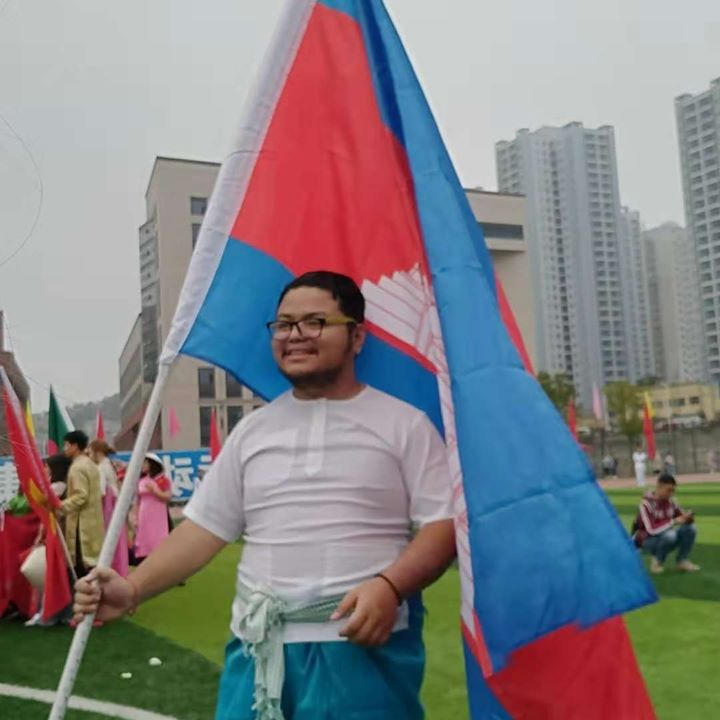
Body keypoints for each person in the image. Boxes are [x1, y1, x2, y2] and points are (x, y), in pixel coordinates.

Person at [74, 271, 456, 720]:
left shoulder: (405, 425)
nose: (295, 335)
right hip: (257, 650)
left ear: (357, 336)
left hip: (362, 648)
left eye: (315, 322)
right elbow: (204, 529)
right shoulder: (253, 432)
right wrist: (133, 588)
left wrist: (390, 587)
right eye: (284, 324)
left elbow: (444, 525)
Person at [631, 474, 700, 574]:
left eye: (673, 491)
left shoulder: (671, 502)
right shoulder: (646, 504)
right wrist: (674, 521)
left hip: (663, 537)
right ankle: (657, 562)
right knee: (670, 535)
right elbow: (651, 530)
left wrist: (688, 518)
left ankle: (682, 561)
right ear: (659, 487)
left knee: (691, 528)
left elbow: (681, 516)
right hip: (643, 541)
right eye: (669, 490)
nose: (671, 494)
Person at [60, 430, 104, 578]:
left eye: (66, 445)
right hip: (93, 524)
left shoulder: (77, 467)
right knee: (93, 568)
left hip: (81, 526)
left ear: (75, 446)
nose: (64, 448)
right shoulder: (90, 464)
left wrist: (60, 506)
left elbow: (81, 496)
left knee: (82, 570)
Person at [88, 440, 128, 578]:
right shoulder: (109, 464)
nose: (89, 455)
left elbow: (101, 492)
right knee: (117, 540)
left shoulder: (101, 467)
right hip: (115, 506)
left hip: (108, 507)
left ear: (97, 452)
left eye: (90, 451)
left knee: (108, 540)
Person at [131, 453, 172, 563]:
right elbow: (136, 501)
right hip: (144, 514)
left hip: (158, 515)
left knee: (157, 538)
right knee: (145, 538)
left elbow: (167, 497)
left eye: (145, 463)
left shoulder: (161, 480)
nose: (142, 465)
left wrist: (155, 491)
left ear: (152, 464)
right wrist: (135, 517)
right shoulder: (141, 481)